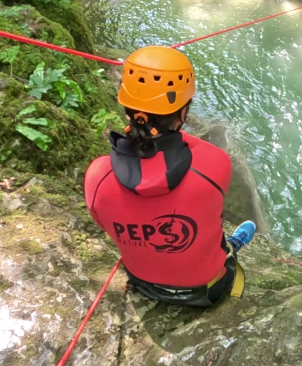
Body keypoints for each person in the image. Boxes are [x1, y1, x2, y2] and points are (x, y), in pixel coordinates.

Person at [84, 46, 257, 307]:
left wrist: (139, 135)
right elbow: (189, 152)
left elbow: (104, 222)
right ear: (183, 113)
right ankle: (231, 247)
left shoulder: (97, 175)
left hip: (142, 283)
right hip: (207, 290)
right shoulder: (213, 163)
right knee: (216, 233)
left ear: (126, 108)